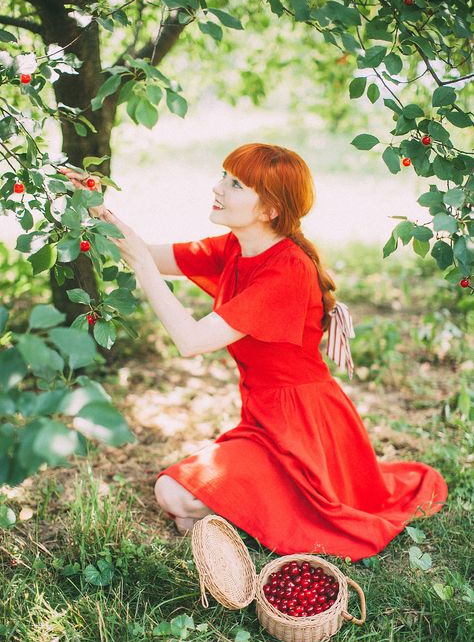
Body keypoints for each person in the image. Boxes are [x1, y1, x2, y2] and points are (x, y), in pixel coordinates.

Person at [60, 143, 448, 561]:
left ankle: (275, 504)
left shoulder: (286, 270)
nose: (219, 188)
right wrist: (97, 208)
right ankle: (254, 505)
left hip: (304, 426)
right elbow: (148, 253)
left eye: (236, 184)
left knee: (171, 492)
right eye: (224, 176)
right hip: (265, 419)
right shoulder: (235, 247)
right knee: (177, 494)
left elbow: (190, 340)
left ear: (269, 210)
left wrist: (142, 268)